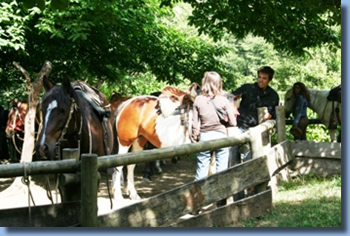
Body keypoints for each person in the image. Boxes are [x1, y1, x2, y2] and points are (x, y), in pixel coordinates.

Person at [231, 66, 279, 199]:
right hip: (241, 127)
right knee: (234, 158)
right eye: (259, 77)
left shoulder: (273, 95)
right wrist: (234, 105)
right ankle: (236, 192)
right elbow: (231, 96)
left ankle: (249, 190)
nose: (261, 80)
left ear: (269, 80)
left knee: (250, 159)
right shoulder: (247, 88)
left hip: (258, 132)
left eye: (264, 78)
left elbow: (274, 112)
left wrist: (270, 115)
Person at [191, 71, 237, 208]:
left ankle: (197, 204)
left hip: (204, 137)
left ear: (205, 82)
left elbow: (194, 124)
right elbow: (233, 122)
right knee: (221, 170)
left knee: (201, 171)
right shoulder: (223, 100)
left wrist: (195, 136)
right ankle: (220, 202)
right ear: (219, 83)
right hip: (221, 137)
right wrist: (225, 121)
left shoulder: (198, 100)